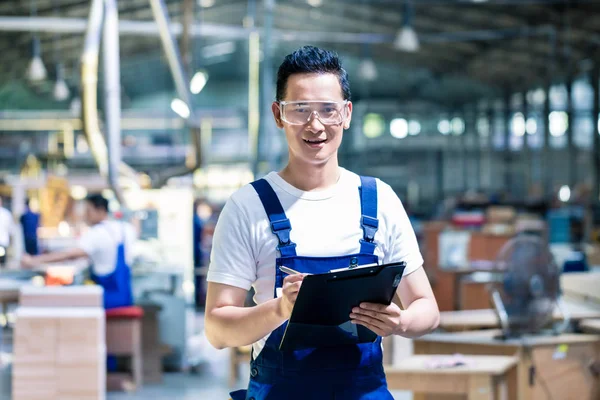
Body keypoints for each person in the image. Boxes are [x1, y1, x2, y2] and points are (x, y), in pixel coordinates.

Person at [205, 45, 440, 400]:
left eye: (327, 110)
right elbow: (217, 330)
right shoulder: (248, 206)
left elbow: (428, 309)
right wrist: (280, 308)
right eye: (300, 110)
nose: (315, 125)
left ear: (346, 114)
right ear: (278, 114)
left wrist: (401, 322)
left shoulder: (378, 201)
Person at [21, 193, 137, 309]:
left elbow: (70, 255)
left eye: (88, 211)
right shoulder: (125, 229)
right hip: (126, 298)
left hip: (106, 300)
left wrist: (35, 260)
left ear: (100, 210)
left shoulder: (97, 233)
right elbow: (136, 225)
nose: (85, 215)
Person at [0, 197, 14, 266]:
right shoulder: (7, 213)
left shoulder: (6, 214)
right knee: (2, 263)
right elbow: (11, 229)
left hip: (3, 241)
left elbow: (10, 228)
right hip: (4, 241)